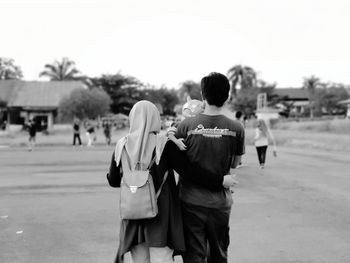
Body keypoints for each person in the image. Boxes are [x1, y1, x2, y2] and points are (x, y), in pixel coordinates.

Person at [107, 100, 237, 263]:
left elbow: (113, 180)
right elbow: (190, 173)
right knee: (162, 258)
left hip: (133, 216)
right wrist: (220, 180)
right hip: (162, 217)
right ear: (155, 118)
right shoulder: (164, 145)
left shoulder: (121, 145)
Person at [175, 72, 245, 263]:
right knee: (218, 254)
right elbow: (235, 163)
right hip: (220, 204)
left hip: (190, 202)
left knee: (193, 256)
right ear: (227, 96)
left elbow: (180, 165)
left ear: (203, 96)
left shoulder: (185, 126)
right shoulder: (236, 128)